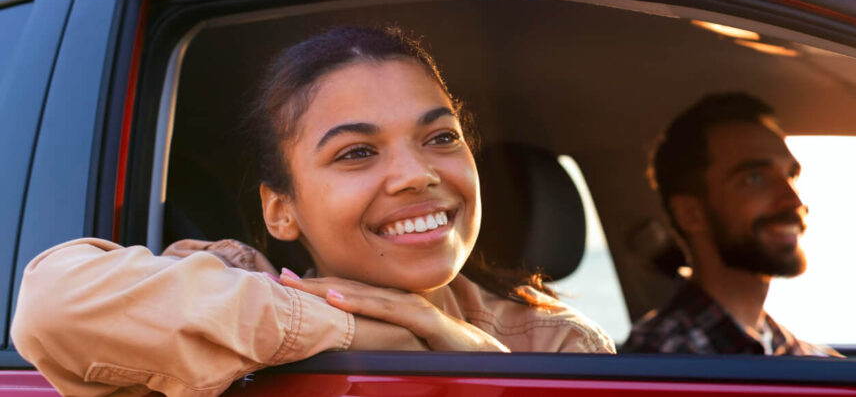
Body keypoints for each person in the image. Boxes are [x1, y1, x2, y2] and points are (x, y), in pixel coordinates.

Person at [11, 26, 614, 397]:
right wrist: (367, 335)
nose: (418, 174)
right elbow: (51, 304)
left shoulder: (557, 344)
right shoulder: (237, 284)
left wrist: (487, 371)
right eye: (357, 152)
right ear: (281, 211)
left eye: (441, 138)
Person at [623, 93, 838, 356]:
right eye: (755, 178)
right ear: (691, 214)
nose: (794, 201)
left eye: (790, 175)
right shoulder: (666, 358)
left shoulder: (790, 349)